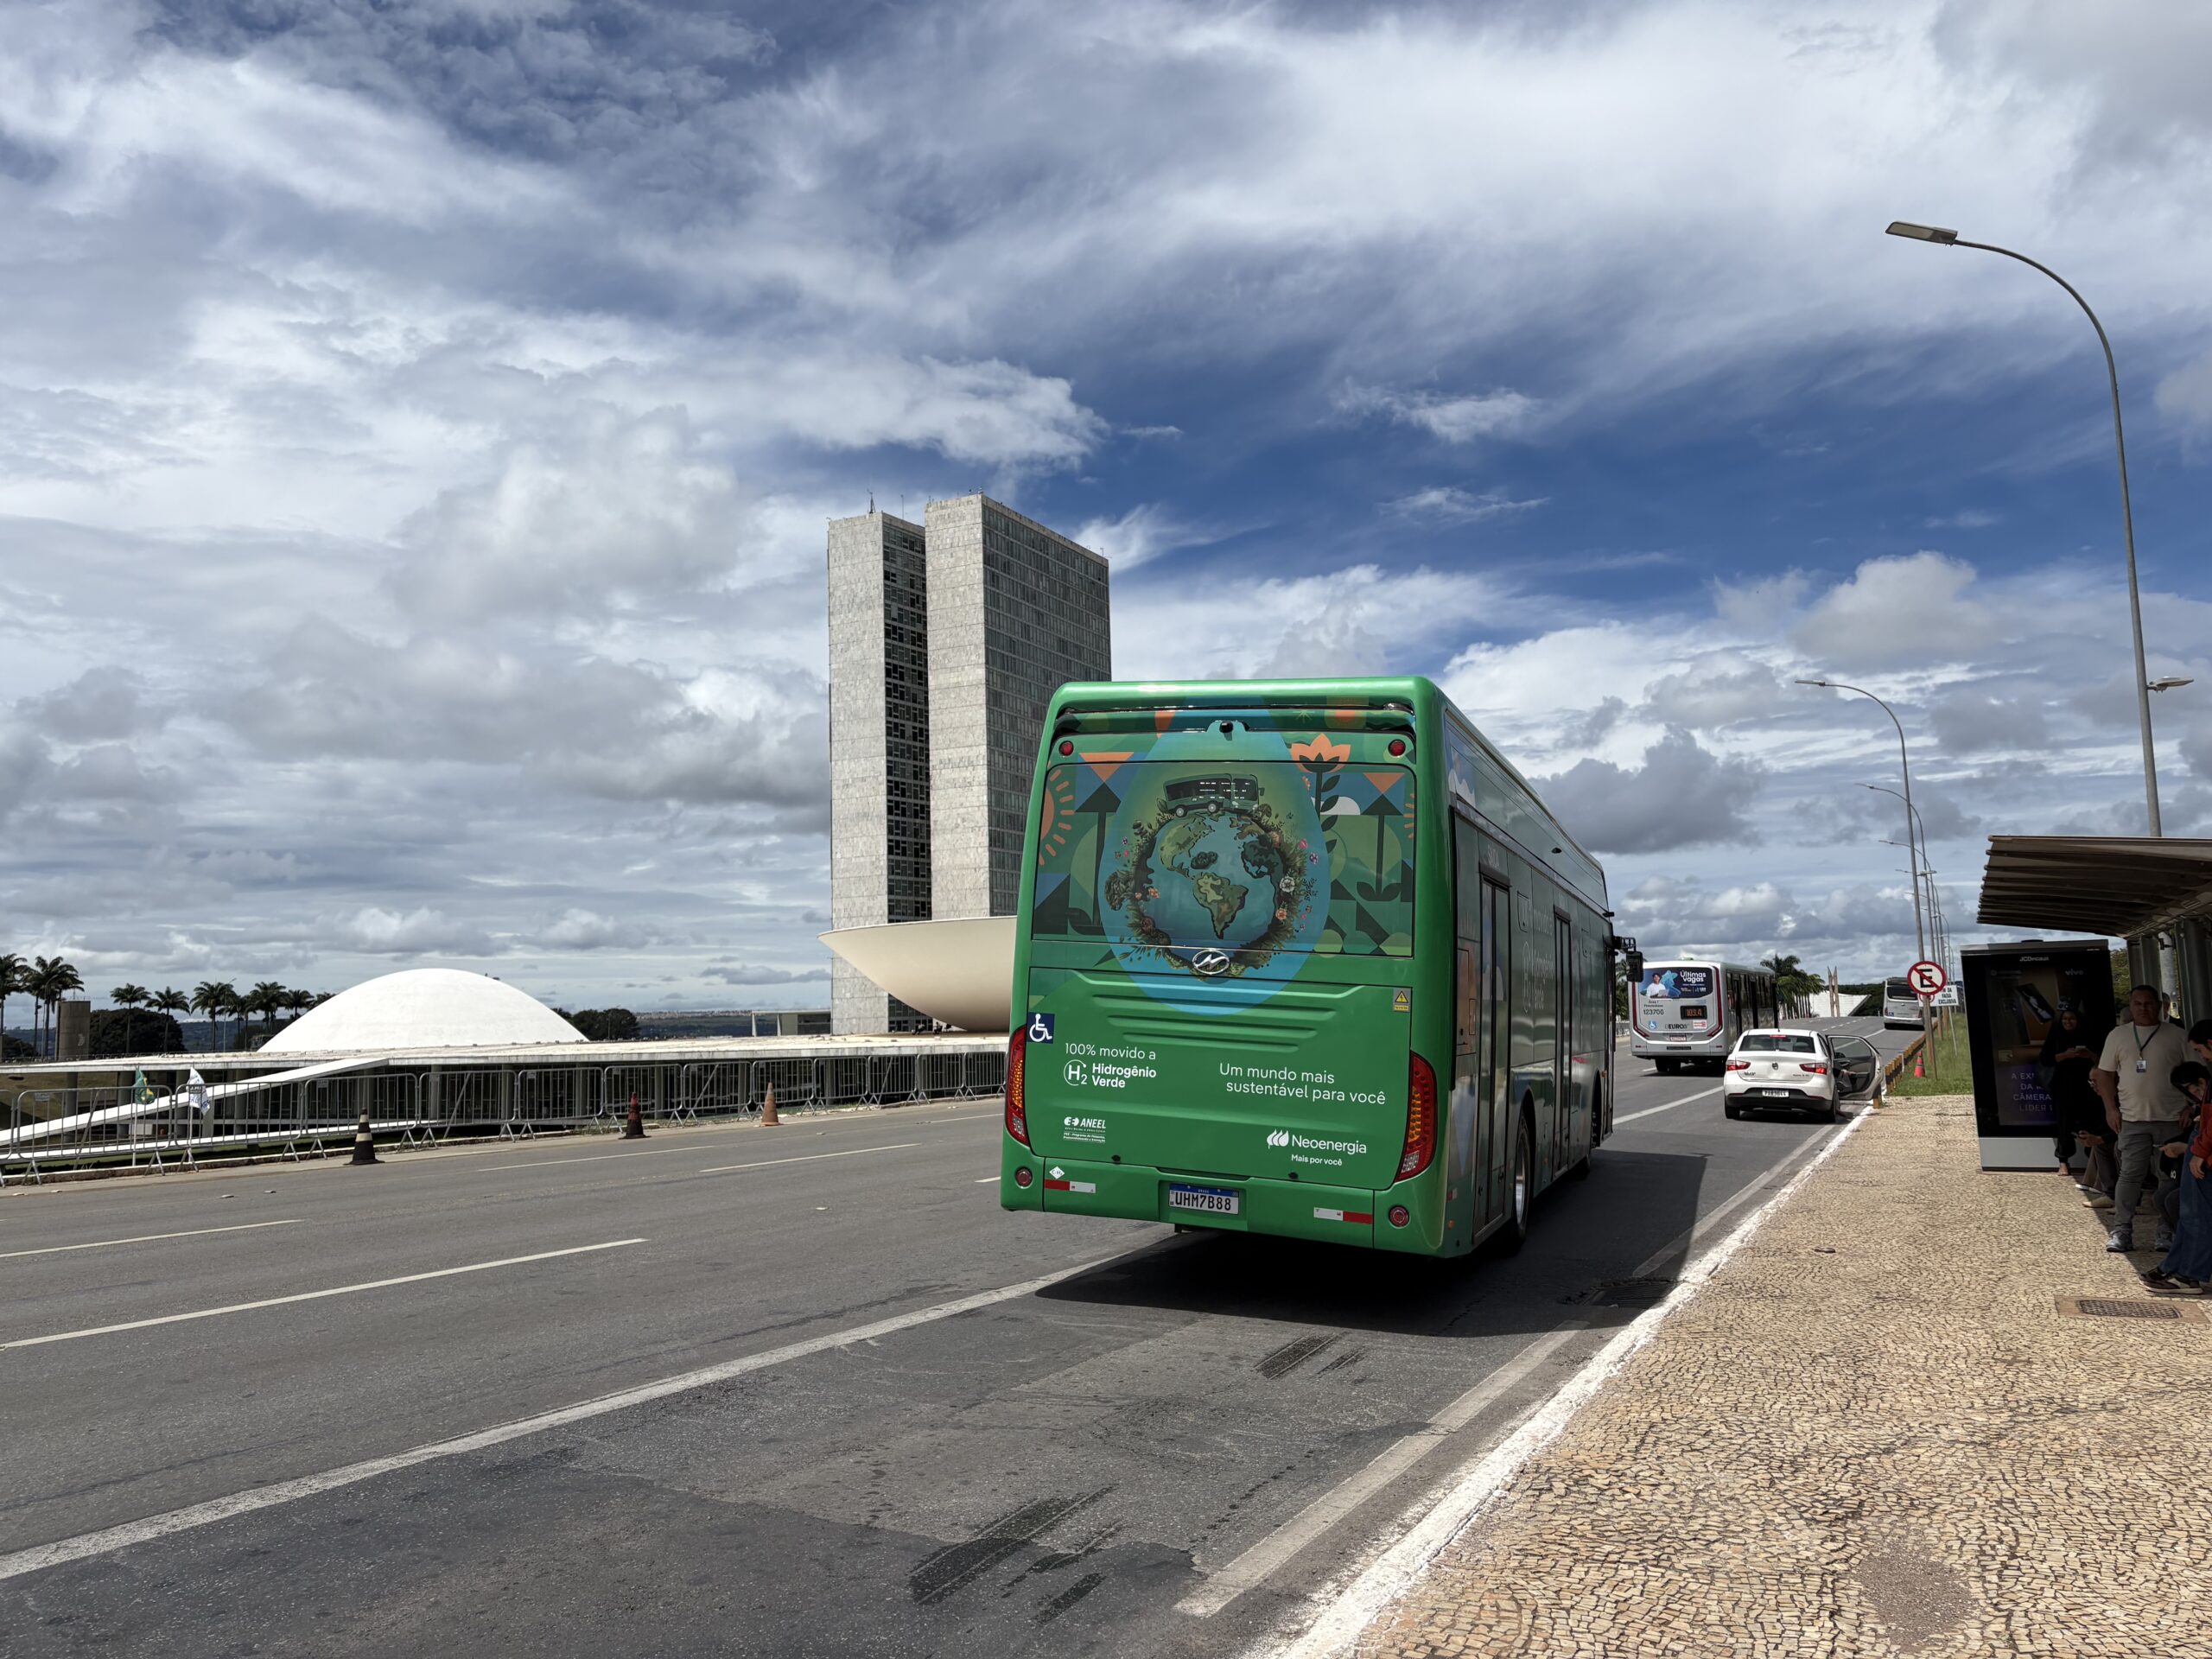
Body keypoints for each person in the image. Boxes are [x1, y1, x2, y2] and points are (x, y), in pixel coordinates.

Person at [2090, 983, 2189, 1253]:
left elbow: (2196, 1074)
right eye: (2138, 1003)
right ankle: (2122, 1230)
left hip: (2171, 1119)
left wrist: (2191, 1107)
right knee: (2130, 1175)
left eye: (2149, 1003)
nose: (2144, 1008)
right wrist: (2110, 1108)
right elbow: (2104, 1074)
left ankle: (2166, 1229)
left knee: (2168, 1177)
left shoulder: (2177, 1036)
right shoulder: (2118, 1035)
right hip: (2132, 1119)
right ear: (2131, 1006)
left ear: (2160, 1006)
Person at [2142, 1062, 2212, 1293]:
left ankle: (2189, 1275)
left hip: (2204, 1156)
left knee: (2196, 1217)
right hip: (2200, 1151)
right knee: (2188, 1215)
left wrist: (2197, 1152)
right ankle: (2175, 1267)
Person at [2040, 1006, 2112, 1197]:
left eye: (2072, 1019)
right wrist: (2066, 1055)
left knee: (2091, 1122)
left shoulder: (2089, 1036)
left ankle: (2092, 1163)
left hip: (2088, 1087)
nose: (2068, 1022)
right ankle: (2063, 1161)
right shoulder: (2056, 1036)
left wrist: (2089, 1055)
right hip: (2063, 1087)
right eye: (2065, 1019)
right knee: (2064, 1124)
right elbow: (2046, 1059)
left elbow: (2102, 1059)